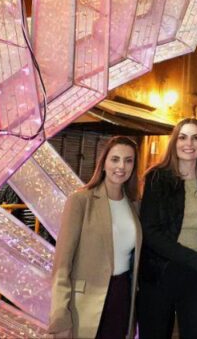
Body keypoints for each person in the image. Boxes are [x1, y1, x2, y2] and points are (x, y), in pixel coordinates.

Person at [49, 136, 141, 339]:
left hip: (121, 297)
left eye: (128, 160)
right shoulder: (81, 200)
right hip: (84, 303)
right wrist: (60, 315)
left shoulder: (133, 205)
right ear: (104, 163)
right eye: (115, 159)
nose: (121, 166)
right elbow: (62, 265)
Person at [138, 119, 197, 339]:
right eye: (183, 137)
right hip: (161, 271)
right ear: (174, 142)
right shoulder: (157, 178)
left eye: (196, 138)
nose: (189, 144)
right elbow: (150, 231)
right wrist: (195, 260)